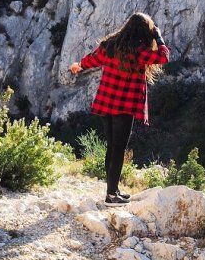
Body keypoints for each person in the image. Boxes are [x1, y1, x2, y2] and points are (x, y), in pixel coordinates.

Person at [70, 12, 169, 205]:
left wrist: (79, 65)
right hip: (124, 106)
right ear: (144, 31)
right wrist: (158, 36)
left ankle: (113, 190)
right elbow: (164, 57)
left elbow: (92, 59)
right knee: (118, 149)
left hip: (106, 103)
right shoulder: (139, 50)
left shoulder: (110, 45)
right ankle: (111, 195)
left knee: (112, 148)